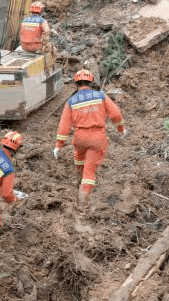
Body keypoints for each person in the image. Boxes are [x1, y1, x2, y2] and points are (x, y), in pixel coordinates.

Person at [53, 69, 126, 210]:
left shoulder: (71, 101)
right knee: (90, 171)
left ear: (76, 84)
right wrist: (121, 129)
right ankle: (83, 203)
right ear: (91, 82)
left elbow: (64, 126)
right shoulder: (101, 96)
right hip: (97, 138)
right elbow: (116, 114)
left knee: (79, 158)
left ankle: (78, 181)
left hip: (80, 138)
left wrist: (58, 145)